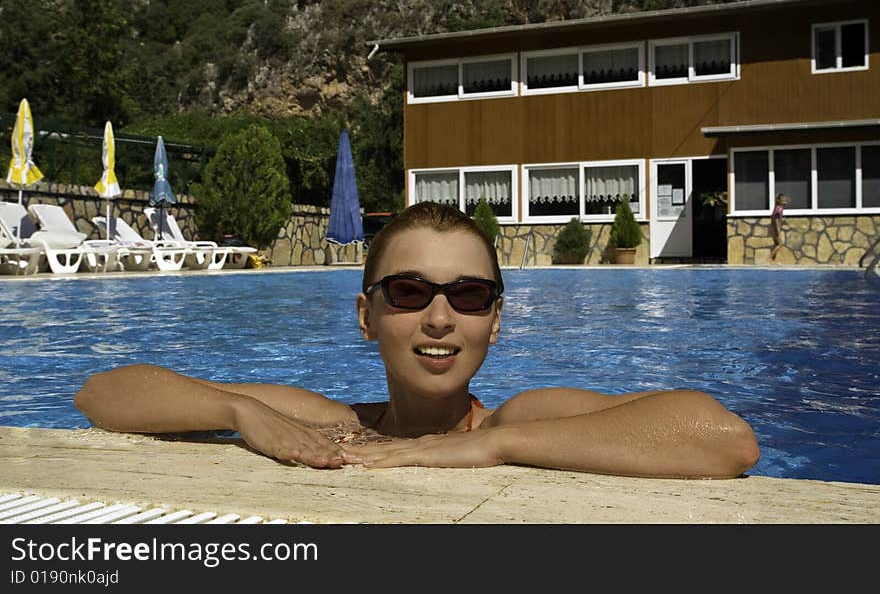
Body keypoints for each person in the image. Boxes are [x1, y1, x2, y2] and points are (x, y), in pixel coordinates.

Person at [74, 201, 760, 479]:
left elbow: (723, 436)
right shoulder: (330, 422)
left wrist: (481, 444)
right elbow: (102, 393)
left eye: (467, 294)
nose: (439, 317)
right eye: (409, 291)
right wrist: (235, 409)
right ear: (366, 314)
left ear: (494, 318)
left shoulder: (517, 419)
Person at [770, 193, 790, 261]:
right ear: (780, 201)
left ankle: (772, 260)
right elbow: (775, 219)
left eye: (785, 200)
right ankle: (769, 259)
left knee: (776, 244)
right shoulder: (779, 209)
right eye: (783, 200)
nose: (785, 202)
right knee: (780, 244)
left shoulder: (777, 208)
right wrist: (777, 228)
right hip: (776, 228)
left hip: (774, 228)